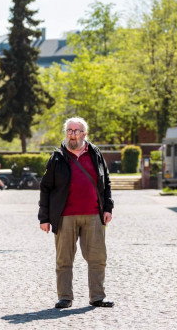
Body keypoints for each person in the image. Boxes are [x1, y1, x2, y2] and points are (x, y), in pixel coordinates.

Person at [38, 117, 114, 309]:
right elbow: (45, 188)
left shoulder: (95, 154)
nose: (72, 134)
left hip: (93, 215)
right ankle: (65, 297)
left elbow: (106, 183)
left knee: (97, 258)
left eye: (76, 131)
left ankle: (97, 297)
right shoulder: (57, 157)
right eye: (69, 131)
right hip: (65, 216)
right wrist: (44, 218)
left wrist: (108, 207)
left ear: (84, 134)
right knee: (64, 259)